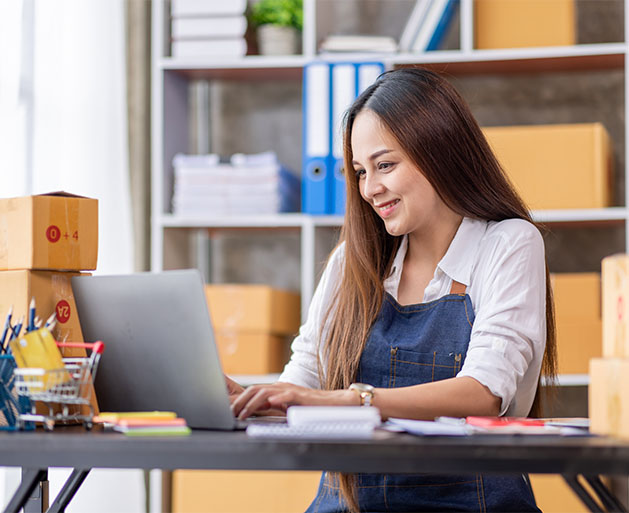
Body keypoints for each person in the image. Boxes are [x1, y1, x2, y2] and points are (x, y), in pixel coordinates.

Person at [228, 67, 557, 513]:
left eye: (385, 165)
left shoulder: (508, 243)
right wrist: (250, 399)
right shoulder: (352, 261)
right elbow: (303, 381)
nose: (370, 189)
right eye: (360, 172)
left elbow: (483, 391)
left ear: (439, 150)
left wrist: (352, 400)